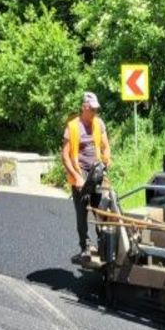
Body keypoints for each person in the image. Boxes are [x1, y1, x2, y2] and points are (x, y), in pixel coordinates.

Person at [62, 92, 112, 263]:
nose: (95, 112)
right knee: (82, 211)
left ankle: (103, 245)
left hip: (96, 170)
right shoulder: (72, 127)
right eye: (92, 109)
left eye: (96, 109)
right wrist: (76, 177)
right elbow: (65, 156)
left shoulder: (99, 123)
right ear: (84, 107)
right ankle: (85, 247)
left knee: (101, 210)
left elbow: (106, 147)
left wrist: (106, 161)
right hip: (80, 170)